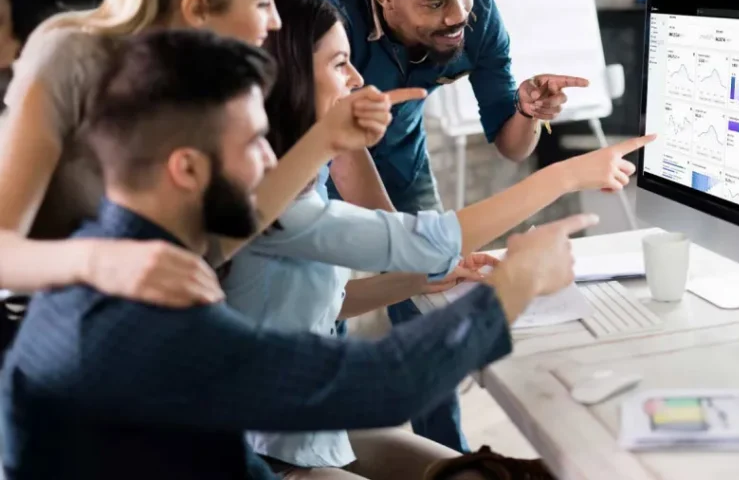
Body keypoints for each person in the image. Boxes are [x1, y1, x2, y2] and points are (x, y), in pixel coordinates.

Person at [1, 29, 591, 479]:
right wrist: (516, 282)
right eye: (257, 143)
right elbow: (389, 383)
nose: (271, 163)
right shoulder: (147, 317)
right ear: (187, 169)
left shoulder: (111, 257)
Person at [222, 0, 653, 478]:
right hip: (269, 455)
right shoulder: (275, 204)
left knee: (490, 470)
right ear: (291, 78)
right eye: (340, 63)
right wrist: (568, 176)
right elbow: (428, 241)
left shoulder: (299, 184)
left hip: (310, 430)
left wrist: (418, 283)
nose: (358, 79)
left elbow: (319, 300)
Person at [0, 0, 421, 306]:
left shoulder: (195, 86)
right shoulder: (70, 53)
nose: (275, 22)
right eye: (261, 3)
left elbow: (210, 247)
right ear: (197, 10)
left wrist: (326, 139)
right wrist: (102, 262)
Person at [306, 0, 591, 451]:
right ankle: (323, 453)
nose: (458, 15)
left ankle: (449, 458)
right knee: (326, 306)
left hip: (401, 156)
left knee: (424, 308)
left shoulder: (476, 17)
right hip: (325, 158)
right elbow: (342, 151)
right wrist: (404, 249)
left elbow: (511, 147)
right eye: (437, 3)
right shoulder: (329, 14)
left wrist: (529, 112)